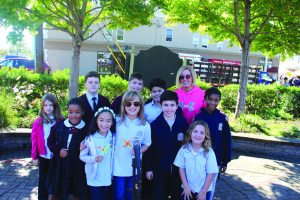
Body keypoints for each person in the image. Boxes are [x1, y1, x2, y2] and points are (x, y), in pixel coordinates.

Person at [144, 90, 188, 200]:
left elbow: (187, 146)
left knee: (176, 195)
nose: (169, 108)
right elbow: (150, 149)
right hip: (159, 168)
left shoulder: (183, 123)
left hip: (178, 169)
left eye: (172, 105)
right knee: (159, 195)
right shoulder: (154, 125)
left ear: (177, 106)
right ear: (161, 105)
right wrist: (149, 168)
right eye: (166, 105)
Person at [194, 87, 232, 200]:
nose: (212, 102)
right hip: (199, 159)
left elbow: (227, 140)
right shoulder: (199, 117)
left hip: (215, 160)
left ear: (219, 101)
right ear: (205, 99)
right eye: (210, 99)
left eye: (216, 100)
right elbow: (192, 138)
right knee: (197, 187)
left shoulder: (222, 118)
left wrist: (225, 161)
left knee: (210, 188)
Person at [113, 91, 151, 200]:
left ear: (141, 105)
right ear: (123, 105)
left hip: (135, 167)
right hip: (118, 166)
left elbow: (147, 144)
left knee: (132, 195)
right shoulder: (117, 122)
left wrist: (140, 150)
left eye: (136, 103)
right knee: (119, 195)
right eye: (128, 103)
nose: (132, 106)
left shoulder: (145, 125)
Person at [47, 98, 88, 200]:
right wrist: (58, 151)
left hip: (78, 166)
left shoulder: (86, 129)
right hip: (60, 165)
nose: (73, 115)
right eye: (70, 112)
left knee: (76, 191)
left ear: (82, 112)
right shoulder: (59, 126)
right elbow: (50, 141)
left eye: (77, 112)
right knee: (55, 191)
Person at [174, 120, 218, 200]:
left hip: (204, 191)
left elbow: (211, 173)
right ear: (190, 133)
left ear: (206, 135)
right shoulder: (184, 149)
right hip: (187, 189)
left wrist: (203, 192)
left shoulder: (209, 152)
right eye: (195, 131)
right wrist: (186, 186)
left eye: (202, 133)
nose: (198, 135)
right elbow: (181, 168)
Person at [31, 93, 64, 200]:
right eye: (45, 105)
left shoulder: (60, 121)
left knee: (55, 180)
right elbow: (34, 140)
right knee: (43, 181)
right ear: (42, 106)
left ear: (55, 106)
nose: (48, 108)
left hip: (55, 156)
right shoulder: (38, 122)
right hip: (43, 156)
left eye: (50, 105)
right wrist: (34, 157)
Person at [80, 107, 116, 200]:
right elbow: (82, 156)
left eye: (108, 121)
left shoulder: (113, 137)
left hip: (107, 177)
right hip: (94, 177)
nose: (104, 124)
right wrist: (94, 159)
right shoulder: (90, 138)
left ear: (112, 122)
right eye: (101, 120)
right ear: (96, 121)